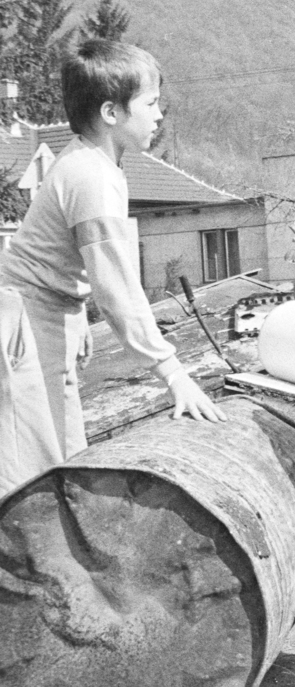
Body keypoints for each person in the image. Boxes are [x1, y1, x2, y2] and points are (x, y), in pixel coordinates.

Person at [0, 39, 223, 493]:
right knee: (30, 477)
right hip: (23, 321)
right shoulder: (92, 177)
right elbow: (117, 289)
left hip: (45, 311)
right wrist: (172, 374)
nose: (160, 115)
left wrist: (74, 309)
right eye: (151, 103)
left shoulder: (96, 163)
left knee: (64, 455)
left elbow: (60, 253)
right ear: (111, 113)